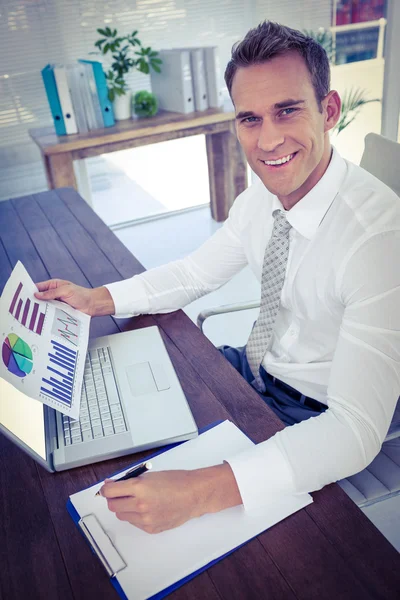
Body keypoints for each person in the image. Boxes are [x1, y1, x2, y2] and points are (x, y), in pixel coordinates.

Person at [35, 21, 400, 534]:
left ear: (330, 110)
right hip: (253, 373)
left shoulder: (380, 241)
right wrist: (98, 298)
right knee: (100, 417)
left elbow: (355, 431)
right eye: (249, 118)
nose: (267, 139)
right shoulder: (259, 201)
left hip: (314, 416)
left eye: (287, 110)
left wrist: (200, 492)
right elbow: (194, 272)